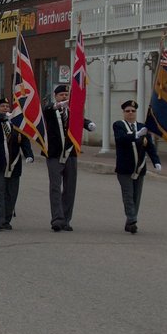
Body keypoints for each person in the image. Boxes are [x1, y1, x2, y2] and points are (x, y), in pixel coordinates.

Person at [42, 84, 97, 232]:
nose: (65, 98)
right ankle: (57, 219)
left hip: (71, 153)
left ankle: (66, 219)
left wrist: (89, 124)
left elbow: (80, 120)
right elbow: (45, 111)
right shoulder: (50, 110)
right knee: (55, 186)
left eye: (66, 95)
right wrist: (57, 105)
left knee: (70, 187)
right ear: (56, 96)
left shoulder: (72, 111)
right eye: (62, 95)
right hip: (54, 153)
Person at [113, 100, 162, 234]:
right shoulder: (119, 125)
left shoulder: (142, 127)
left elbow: (150, 147)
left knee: (136, 196)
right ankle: (132, 219)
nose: (130, 113)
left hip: (139, 168)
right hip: (125, 168)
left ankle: (130, 223)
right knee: (128, 195)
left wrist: (156, 161)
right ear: (123, 112)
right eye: (127, 111)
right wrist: (136, 135)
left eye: (133, 111)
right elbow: (121, 139)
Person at [0, 98, 34, 230]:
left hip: (14, 163)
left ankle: (7, 219)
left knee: (12, 193)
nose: (6, 108)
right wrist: (3, 117)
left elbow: (24, 140)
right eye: (2, 106)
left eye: (7, 106)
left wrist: (29, 154)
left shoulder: (15, 124)